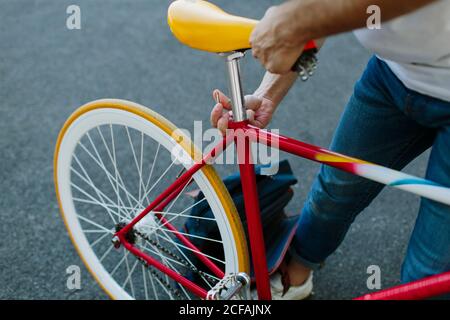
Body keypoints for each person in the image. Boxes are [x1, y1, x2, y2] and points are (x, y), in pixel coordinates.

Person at [210, 0, 450, 300]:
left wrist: (297, 19)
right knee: (335, 190)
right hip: (392, 75)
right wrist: (265, 95)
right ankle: (295, 275)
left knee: (429, 273)